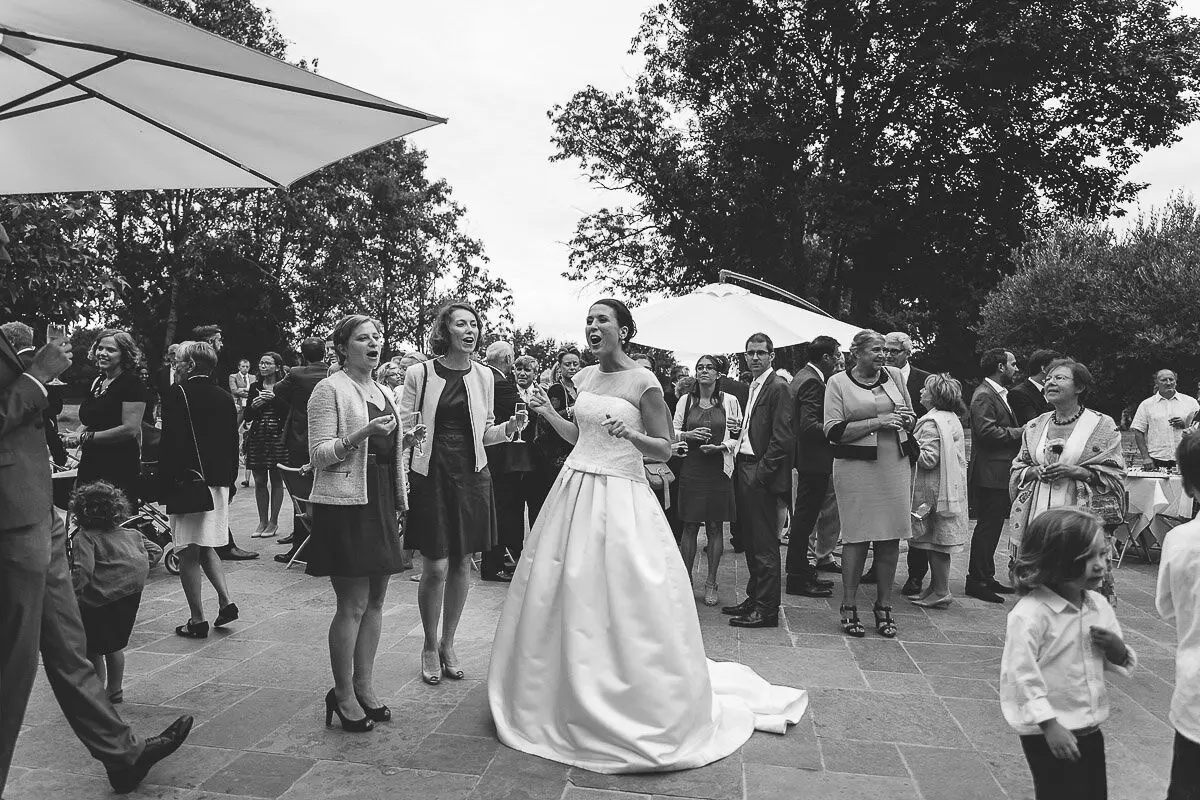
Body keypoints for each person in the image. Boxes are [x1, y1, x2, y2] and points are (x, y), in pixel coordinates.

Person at [489, 299, 808, 773]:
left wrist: (631, 436)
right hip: (573, 488)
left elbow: (665, 447)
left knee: (622, 590)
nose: (593, 326)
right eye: (589, 320)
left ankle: (623, 683)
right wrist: (546, 413)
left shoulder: (645, 382)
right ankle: (559, 683)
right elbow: (578, 437)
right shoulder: (584, 378)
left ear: (623, 329)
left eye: (602, 320)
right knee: (563, 587)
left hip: (621, 494)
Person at [0, 326, 193, 797]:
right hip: (9, 518)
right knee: (12, 667)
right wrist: (37, 376)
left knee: (72, 647)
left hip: (37, 508)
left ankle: (122, 755)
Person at [306, 315, 422, 732]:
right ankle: (342, 693)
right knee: (352, 604)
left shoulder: (384, 390)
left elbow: (383, 450)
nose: (373, 344)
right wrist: (361, 434)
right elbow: (319, 455)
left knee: (376, 601)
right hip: (346, 504)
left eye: (377, 337)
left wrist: (404, 440)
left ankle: (364, 686)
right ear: (342, 347)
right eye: (362, 338)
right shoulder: (328, 389)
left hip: (381, 499)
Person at [400, 303, 525, 685]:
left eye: (474, 324)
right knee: (435, 565)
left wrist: (509, 428)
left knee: (462, 562)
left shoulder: (485, 375)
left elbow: (485, 432)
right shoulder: (419, 373)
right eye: (461, 324)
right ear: (446, 330)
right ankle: (428, 643)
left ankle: (448, 643)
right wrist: (407, 447)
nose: (470, 330)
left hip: (473, 474)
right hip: (432, 472)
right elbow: (403, 428)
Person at [1000, 508, 1135, 800]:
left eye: (1103, 554)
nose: (1100, 565)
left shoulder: (1098, 605)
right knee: (1057, 792)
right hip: (1048, 731)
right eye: (1088, 558)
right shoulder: (1031, 615)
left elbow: (1115, 658)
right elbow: (1022, 675)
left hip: (1089, 725)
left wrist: (1117, 649)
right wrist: (1049, 725)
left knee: (1093, 792)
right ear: (1056, 561)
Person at [1006, 359, 1125, 604]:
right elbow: (1018, 466)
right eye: (1048, 378)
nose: (1050, 382)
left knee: (1077, 584)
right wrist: (1035, 471)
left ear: (1079, 387)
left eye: (1059, 378)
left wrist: (1077, 472)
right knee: (1040, 586)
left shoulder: (1102, 425)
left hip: (1079, 520)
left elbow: (1115, 473)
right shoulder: (1036, 425)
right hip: (1038, 519)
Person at [823, 330, 916, 638]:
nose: (883, 355)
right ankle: (849, 604)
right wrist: (879, 421)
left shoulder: (894, 376)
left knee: (891, 536)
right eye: (877, 349)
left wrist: (908, 420)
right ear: (857, 353)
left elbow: (911, 415)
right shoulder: (837, 383)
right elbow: (832, 430)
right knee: (857, 535)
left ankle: (884, 605)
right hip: (856, 466)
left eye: (886, 350)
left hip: (894, 462)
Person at [159, 341, 240, 638]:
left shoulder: (177, 393)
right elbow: (233, 443)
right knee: (206, 545)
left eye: (179, 362)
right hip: (218, 482)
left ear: (190, 364)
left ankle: (197, 619)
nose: (176, 366)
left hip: (189, 483)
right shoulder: (224, 396)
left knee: (186, 551)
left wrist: (163, 483)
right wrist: (230, 481)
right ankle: (225, 600)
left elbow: (171, 443)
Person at [723, 332, 794, 629]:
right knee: (751, 542)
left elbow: (783, 437)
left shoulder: (778, 386)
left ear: (771, 355)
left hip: (760, 472)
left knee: (764, 544)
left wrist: (762, 474)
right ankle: (755, 598)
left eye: (760, 353)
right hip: (745, 466)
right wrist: (741, 429)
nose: (754, 357)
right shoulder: (755, 385)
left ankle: (766, 610)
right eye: (750, 353)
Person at [68, 481, 148, 705]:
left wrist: (70, 594)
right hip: (127, 599)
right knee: (115, 647)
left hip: (97, 602)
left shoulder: (84, 537)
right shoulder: (131, 534)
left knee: (93, 650)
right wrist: (126, 571)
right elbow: (154, 550)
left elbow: (83, 571)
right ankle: (115, 690)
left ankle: (96, 694)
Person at [673, 355, 741, 606]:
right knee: (689, 525)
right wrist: (688, 434)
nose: (704, 371)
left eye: (709, 367)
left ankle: (711, 582)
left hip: (718, 469)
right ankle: (686, 580)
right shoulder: (685, 401)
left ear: (717, 374)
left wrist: (721, 446)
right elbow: (671, 431)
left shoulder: (730, 401)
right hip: (692, 467)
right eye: (700, 367)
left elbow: (739, 435)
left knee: (714, 526)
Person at [1156, 432, 1200, 800]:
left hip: (1195, 693)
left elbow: (1166, 607)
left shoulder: (1180, 540)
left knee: (1186, 785)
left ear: (1187, 486)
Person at [191, 325, 258, 562]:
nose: (221, 344)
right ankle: (221, 543)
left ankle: (219, 541)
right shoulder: (205, 370)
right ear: (209, 342)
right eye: (218, 340)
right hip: (209, 439)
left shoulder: (212, 367)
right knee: (216, 492)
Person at [65, 330, 150, 508]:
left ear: (125, 354)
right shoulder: (98, 381)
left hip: (118, 463)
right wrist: (76, 434)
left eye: (110, 350)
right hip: (91, 460)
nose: (102, 353)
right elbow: (93, 420)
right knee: (86, 512)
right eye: (100, 348)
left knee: (113, 516)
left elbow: (130, 429)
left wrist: (84, 437)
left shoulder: (133, 384)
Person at [965, 347, 1023, 604]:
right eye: (1013, 364)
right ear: (1001, 367)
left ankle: (986, 576)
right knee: (987, 527)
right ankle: (976, 580)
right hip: (990, 471)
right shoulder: (984, 395)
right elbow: (987, 432)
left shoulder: (996, 394)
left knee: (994, 525)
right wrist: (1021, 431)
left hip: (997, 471)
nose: (1016, 369)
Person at [784, 336, 841, 598]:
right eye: (837, 355)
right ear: (826, 357)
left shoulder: (802, 375)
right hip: (813, 460)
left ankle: (801, 570)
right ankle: (797, 577)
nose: (839, 360)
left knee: (803, 519)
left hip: (806, 459)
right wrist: (838, 428)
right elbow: (808, 425)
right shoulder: (812, 382)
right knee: (805, 520)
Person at [908, 374, 969, 608]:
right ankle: (934, 588)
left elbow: (928, 459)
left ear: (935, 396)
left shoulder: (932, 422)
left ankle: (941, 590)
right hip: (947, 488)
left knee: (937, 543)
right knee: (936, 542)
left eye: (926, 389)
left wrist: (907, 443)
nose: (921, 392)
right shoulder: (949, 418)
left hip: (934, 491)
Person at [270, 337, 328, 563]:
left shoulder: (296, 373)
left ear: (303, 355)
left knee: (300, 491)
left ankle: (300, 546)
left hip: (301, 438)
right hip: (327, 438)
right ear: (325, 353)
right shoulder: (332, 373)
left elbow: (277, 390)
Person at [885, 331, 933, 597]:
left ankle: (916, 575)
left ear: (907, 352)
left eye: (894, 351)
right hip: (886, 451)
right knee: (886, 510)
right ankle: (878, 567)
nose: (888, 355)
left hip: (916, 452)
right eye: (885, 350)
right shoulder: (876, 375)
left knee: (917, 513)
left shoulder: (924, 379)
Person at [481, 341, 531, 582]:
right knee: (500, 511)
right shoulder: (499, 382)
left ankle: (498, 560)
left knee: (499, 509)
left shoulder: (483, 377)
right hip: (500, 454)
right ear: (509, 359)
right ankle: (493, 566)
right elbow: (524, 412)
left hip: (491, 453)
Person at [2, 321, 68, 465]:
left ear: (11, 341)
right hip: (43, 441)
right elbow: (55, 407)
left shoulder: (16, 366)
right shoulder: (46, 361)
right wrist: (58, 452)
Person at [243, 351, 288, 537]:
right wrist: (254, 406)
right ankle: (262, 521)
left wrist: (273, 399)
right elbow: (247, 416)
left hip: (278, 437)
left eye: (267, 363)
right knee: (260, 480)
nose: (263, 366)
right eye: (261, 363)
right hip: (258, 436)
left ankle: (273, 522)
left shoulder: (283, 386)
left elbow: (289, 411)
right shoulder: (255, 386)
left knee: (276, 480)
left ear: (277, 367)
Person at [1131, 369, 1199, 470]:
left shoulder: (1191, 402)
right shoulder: (1146, 404)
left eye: (1171, 379)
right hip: (1157, 459)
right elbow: (1138, 431)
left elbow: (1198, 428)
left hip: (1187, 458)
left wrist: (1185, 424)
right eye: (1163, 380)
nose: (1168, 383)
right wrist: (1145, 458)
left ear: (1176, 381)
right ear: (1156, 382)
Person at [1009, 349, 1061, 426]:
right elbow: (1034, 423)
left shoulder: (1053, 389)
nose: (1060, 372)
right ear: (1043, 368)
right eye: (1056, 368)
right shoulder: (1018, 393)